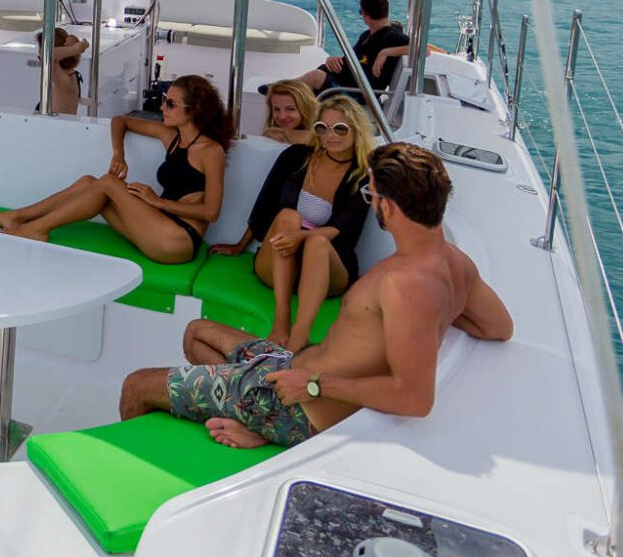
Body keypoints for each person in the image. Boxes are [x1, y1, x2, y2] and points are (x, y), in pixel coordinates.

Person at [121, 142, 513, 449]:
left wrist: (312, 385)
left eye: (371, 195)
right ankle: (252, 420)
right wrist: (441, 313)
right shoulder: (455, 265)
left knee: (136, 385)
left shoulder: (405, 286)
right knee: (197, 331)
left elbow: (414, 398)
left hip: (298, 402)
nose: (370, 202)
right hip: (293, 367)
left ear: (389, 208)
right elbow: (499, 327)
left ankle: (261, 424)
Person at [0, 74, 233, 262]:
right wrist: (119, 153)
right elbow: (120, 121)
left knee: (108, 183)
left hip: (178, 241)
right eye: (165, 100)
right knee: (90, 182)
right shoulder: (172, 136)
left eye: (171, 104)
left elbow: (211, 212)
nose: (163, 107)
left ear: (194, 110)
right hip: (157, 227)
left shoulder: (211, 151)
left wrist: (157, 202)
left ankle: (37, 229)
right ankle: (19, 216)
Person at [210, 94, 374, 352]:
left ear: (357, 130)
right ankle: (281, 316)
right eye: (323, 128)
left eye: (340, 128)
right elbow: (264, 205)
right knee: (288, 216)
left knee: (318, 242)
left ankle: (300, 334)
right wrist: (240, 245)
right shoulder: (296, 157)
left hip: (326, 270)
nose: (331, 135)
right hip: (279, 263)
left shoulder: (362, 175)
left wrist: (303, 237)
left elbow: (345, 226)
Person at [295, 0, 410, 94]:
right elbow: (354, 60)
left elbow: (423, 49)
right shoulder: (366, 35)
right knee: (297, 83)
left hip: (358, 93)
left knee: (314, 77)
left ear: (364, 14)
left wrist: (385, 52)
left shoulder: (393, 36)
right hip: (343, 81)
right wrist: (333, 60)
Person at [45, 27, 90, 116]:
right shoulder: (69, 75)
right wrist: (80, 45)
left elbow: (47, 55)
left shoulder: (64, 79)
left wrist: (75, 49)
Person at [259, 78, 317, 145]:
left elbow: (324, 139)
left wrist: (287, 134)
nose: (282, 116)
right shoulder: (272, 135)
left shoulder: (323, 127)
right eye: (276, 109)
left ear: (307, 108)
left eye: (290, 109)